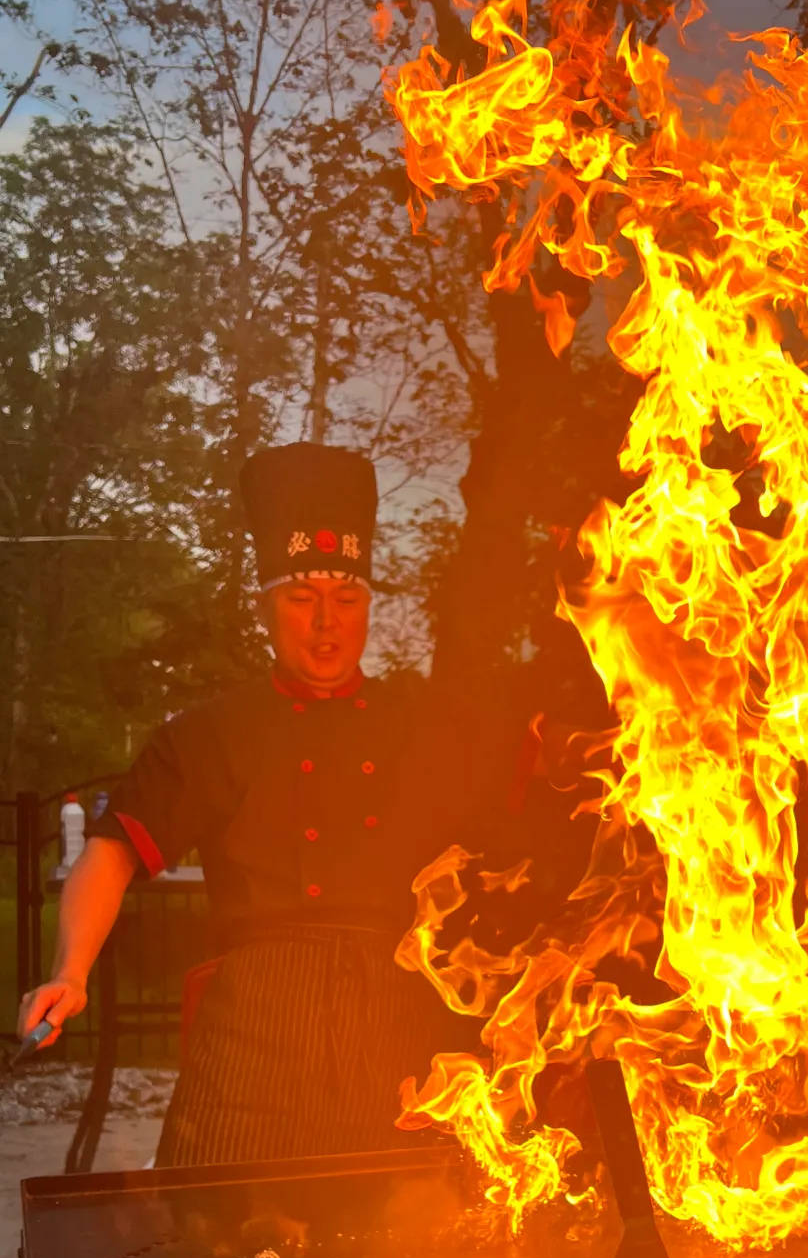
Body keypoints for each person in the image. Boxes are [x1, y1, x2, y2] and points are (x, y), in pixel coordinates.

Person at [17, 442, 509, 1167]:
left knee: (414, 1221)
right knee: (215, 1218)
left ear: (368, 608)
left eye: (346, 600)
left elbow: (508, 851)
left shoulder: (426, 728)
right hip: (255, 1018)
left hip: (401, 1012)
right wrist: (70, 972)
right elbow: (112, 851)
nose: (326, 622)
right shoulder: (210, 732)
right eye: (301, 599)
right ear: (264, 608)